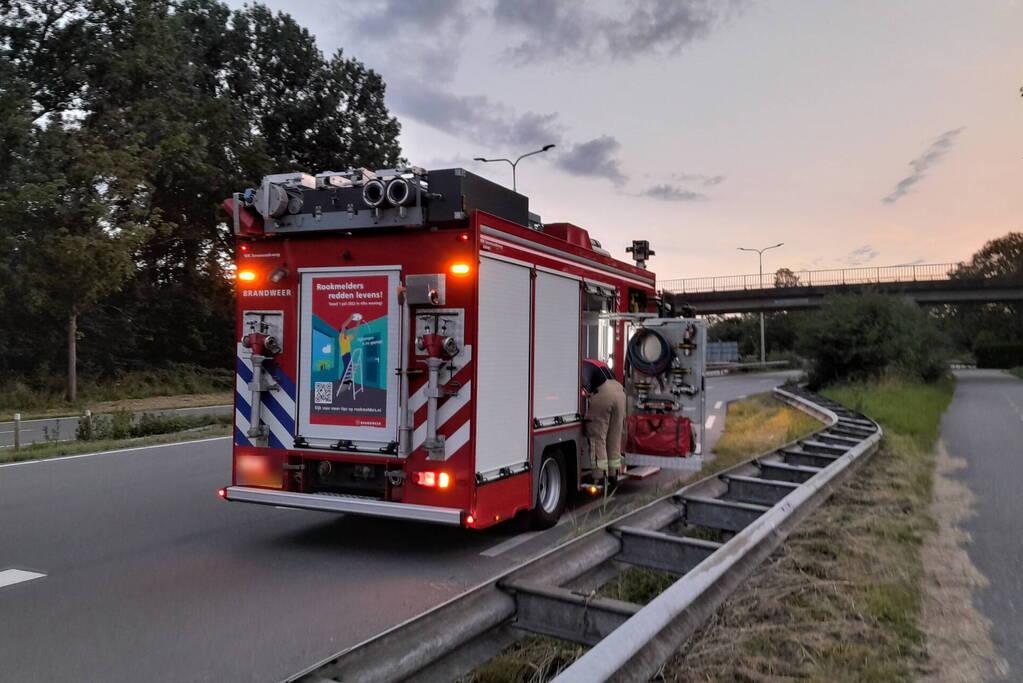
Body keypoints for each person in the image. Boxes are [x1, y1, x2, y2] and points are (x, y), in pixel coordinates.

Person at [582, 358, 626, 483]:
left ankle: (600, 476)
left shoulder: (581, 366)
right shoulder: (596, 363)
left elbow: (585, 389)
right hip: (620, 392)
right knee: (614, 437)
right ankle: (614, 474)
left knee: (597, 437)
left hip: (604, 393)